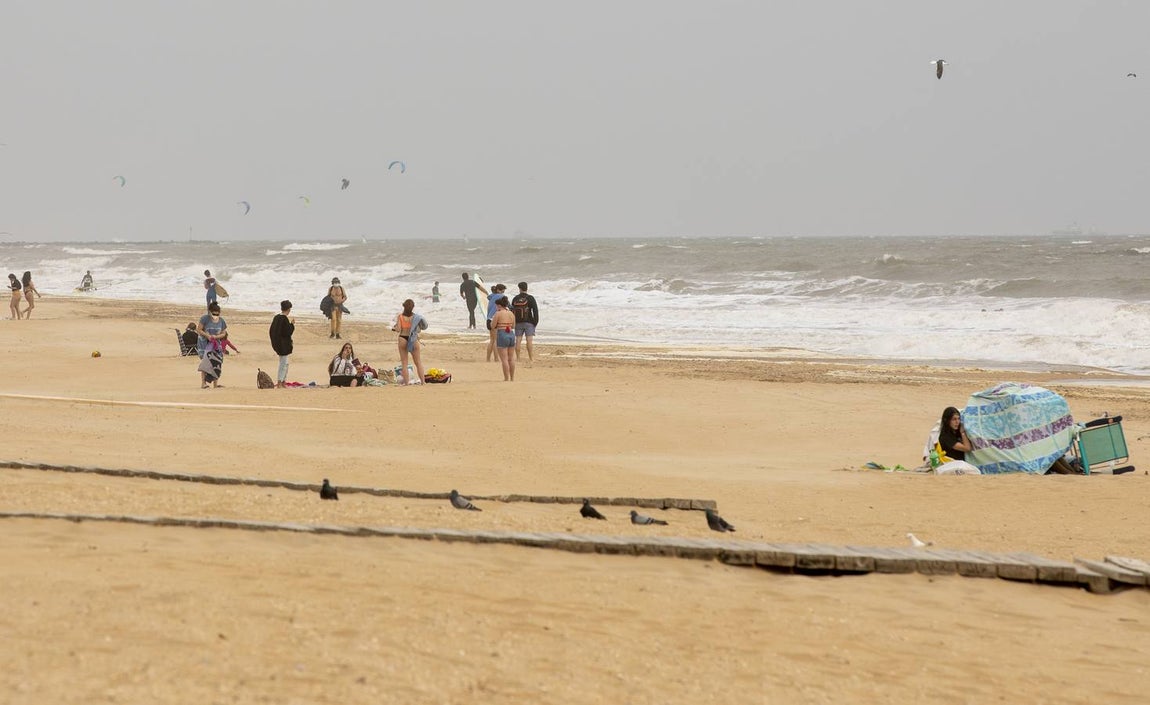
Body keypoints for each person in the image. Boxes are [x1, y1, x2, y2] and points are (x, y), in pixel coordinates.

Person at [394, 298, 428, 386]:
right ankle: (423, 382)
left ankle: (406, 383)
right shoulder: (416, 317)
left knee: (404, 363)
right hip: (413, 339)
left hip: (402, 338)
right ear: (413, 307)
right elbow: (420, 328)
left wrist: (394, 328)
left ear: (404, 306)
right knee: (418, 362)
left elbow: (398, 329)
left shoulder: (400, 316)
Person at [195, 302, 228, 388]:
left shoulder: (221, 321)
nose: (215, 315)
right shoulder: (204, 319)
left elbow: (224, 333)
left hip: (216, 344)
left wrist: (216, 336)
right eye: (214, 314)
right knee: (206, 362)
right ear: (210, 312)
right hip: (204, 344)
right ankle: (203, 383)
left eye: (217, 314)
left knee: (216, 362)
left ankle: (215, 384)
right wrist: (207, 336)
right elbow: (199, 329)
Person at [268, 300, 295, 388]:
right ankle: (280, 382)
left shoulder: (276, 318)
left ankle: (283, 381)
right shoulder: (284, 319)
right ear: (288, 309)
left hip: (278, 345)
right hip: (283, 346)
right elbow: (288, 332)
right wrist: (292, 324)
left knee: (285, 363)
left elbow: (271, 331)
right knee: (284, 364)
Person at [510, 281, 539, 363]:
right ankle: (531, 358)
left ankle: (518, 358)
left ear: (519, 288)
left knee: (518, 340)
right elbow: (535, 311)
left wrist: (513, 322)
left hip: (518, 322)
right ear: (527, 288)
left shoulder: (515, 298)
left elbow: (512, 311)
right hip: (529, 322)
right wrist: (535, 322)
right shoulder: (530, 298)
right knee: (529, 340)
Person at [491, 296, 517, 381]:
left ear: (499, 305)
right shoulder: (511, 313)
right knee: (511, 358)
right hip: (511, 333)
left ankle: (506, 378)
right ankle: (512, 378)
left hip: (502, 334)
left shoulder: (498, 313)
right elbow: (513, 326)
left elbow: (493, 326)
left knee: (504, 359)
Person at [485, 283, 507, 362]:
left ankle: (488, 359)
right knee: (495, 340)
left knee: (492, 340)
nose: (503, 293)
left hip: (488, 320)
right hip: (495, 319)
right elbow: (508, 305)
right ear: (498, 290)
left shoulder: (491, 297)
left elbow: (488, 296)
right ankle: (496, 358)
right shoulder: (501, 297)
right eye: (502, 291)